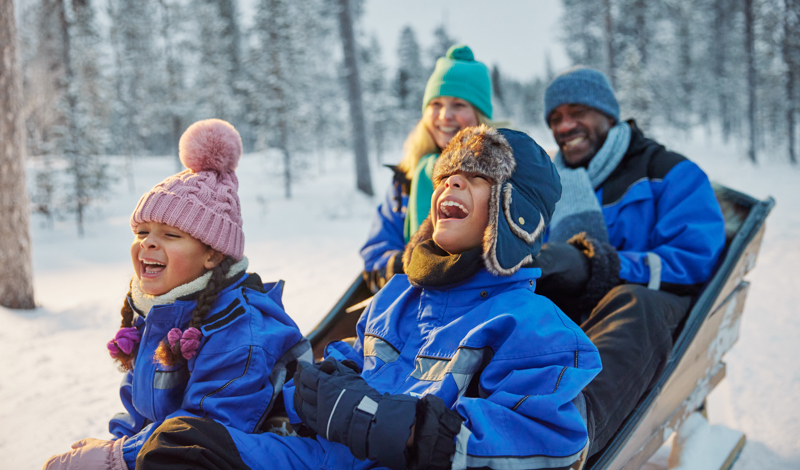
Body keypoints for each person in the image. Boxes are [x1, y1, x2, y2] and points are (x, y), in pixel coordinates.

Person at [136, 125, 602, 470]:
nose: (451, 184)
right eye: (447, 176)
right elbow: (349, 366)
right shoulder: (396, 297)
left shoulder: (532, 323)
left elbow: (554, 442)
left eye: (475, 178)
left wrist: (396, 425)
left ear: (513, 212)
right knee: (182, 446)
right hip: (327, 458)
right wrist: (322, 385)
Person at [42, 119, 310, 469]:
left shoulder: (240, 332)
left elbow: (206, 436)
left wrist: (114, 459)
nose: (148, 243)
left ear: (212, 254)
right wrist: (114, 445)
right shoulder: (162, 313)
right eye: (142, 232)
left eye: (170, 235)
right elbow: (139, 410)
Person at [535, 66, 726, 458]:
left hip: (656, 308)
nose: (564, 125)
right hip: (579, 313)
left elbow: (695, 259)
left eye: (576, 112)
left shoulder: (668, 172)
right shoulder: (550, 186)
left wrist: (607, 266)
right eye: (555, 118)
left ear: (607, 112)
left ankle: (568, 438)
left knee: (632, 302)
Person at [361, 43, 494, 293]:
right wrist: (401, 266)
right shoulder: (406, 179)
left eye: (459, 105)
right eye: (436, 105)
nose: (445, 116)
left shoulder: (503, 174)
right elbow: (377, 248)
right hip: (413, 299)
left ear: (480, 115)